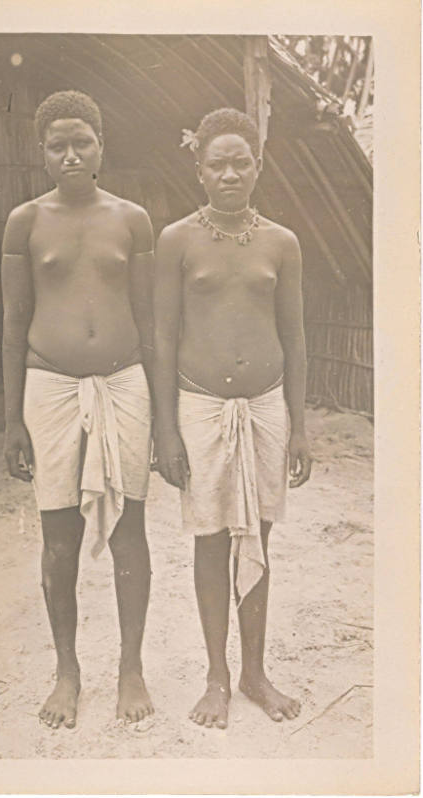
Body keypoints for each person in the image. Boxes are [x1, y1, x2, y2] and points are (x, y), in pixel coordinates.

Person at [153, 108, 312, 730]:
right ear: (198, 170)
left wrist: (298, 425)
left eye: (239, 162)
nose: (228, 174)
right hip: (200, 408)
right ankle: (217, 677)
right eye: (216, 164)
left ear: (258, 166)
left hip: (266, 407)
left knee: (258, 540)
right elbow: (163, 338)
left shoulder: (282, 242)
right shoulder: (177, 240)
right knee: (211, 540)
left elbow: (296, 339)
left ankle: (254, 672)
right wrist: (165, 429)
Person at [1, 90, 155, 730]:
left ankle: (131, 666)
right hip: (51, 387)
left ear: (100, 146)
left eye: (81, 142)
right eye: (58, 146)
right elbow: (13, 324)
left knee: (129, 529)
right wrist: (13, 420)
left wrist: (164, 418)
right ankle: (67, 670)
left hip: (124, 383)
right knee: (58, 537)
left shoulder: (132, 219)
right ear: (42, 154)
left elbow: (150, 321)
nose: (70, 155)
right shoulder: (25, 221)